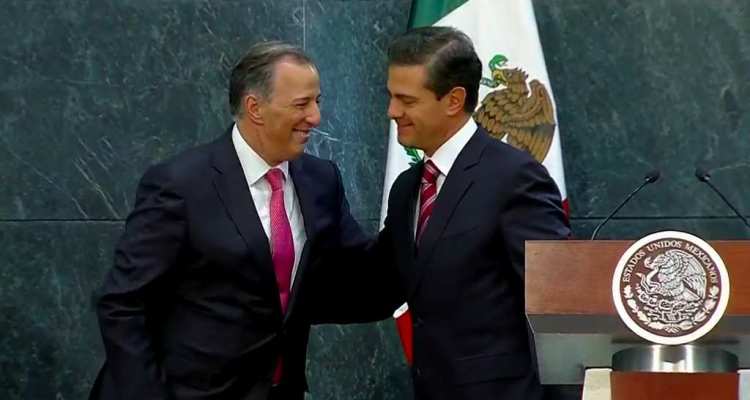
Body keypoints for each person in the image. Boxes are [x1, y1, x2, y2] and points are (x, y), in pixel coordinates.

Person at [89, 41, 367, 400]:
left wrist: (420, 215)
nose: (315, 117)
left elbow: (361, 274)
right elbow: (122, 303)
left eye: (317, 101)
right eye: (301, 104)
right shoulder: (181, 184)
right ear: (255, 108)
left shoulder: (320, 180)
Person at [372, 26, 571, 400]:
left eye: (406, 100)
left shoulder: (514, 178)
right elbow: (379, 283)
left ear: (453, 100)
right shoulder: (407, 188)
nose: (392, 112)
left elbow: (555, 302)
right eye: (391, 97)